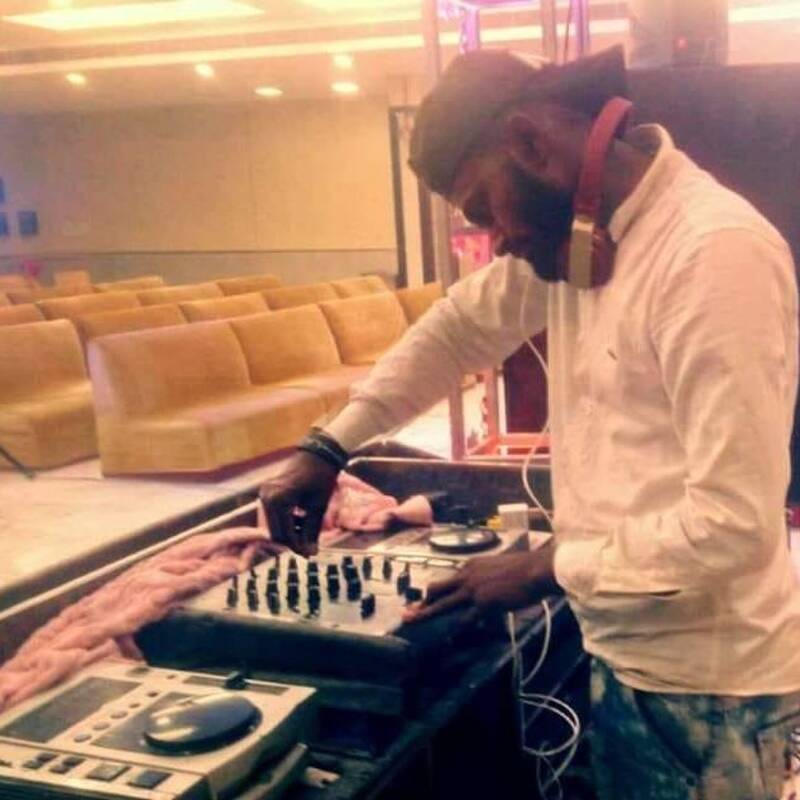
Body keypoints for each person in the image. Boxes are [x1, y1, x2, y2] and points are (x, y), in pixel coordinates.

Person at [261, 46, 800, 799]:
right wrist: (329, 445)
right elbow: (457, 330)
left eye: (484, 209)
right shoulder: (581, 239)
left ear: (530, 145)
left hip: (708, 692)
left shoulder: (711, 256)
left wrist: (542, 568)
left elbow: (732, 524)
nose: (495, 239)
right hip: (634, 658)